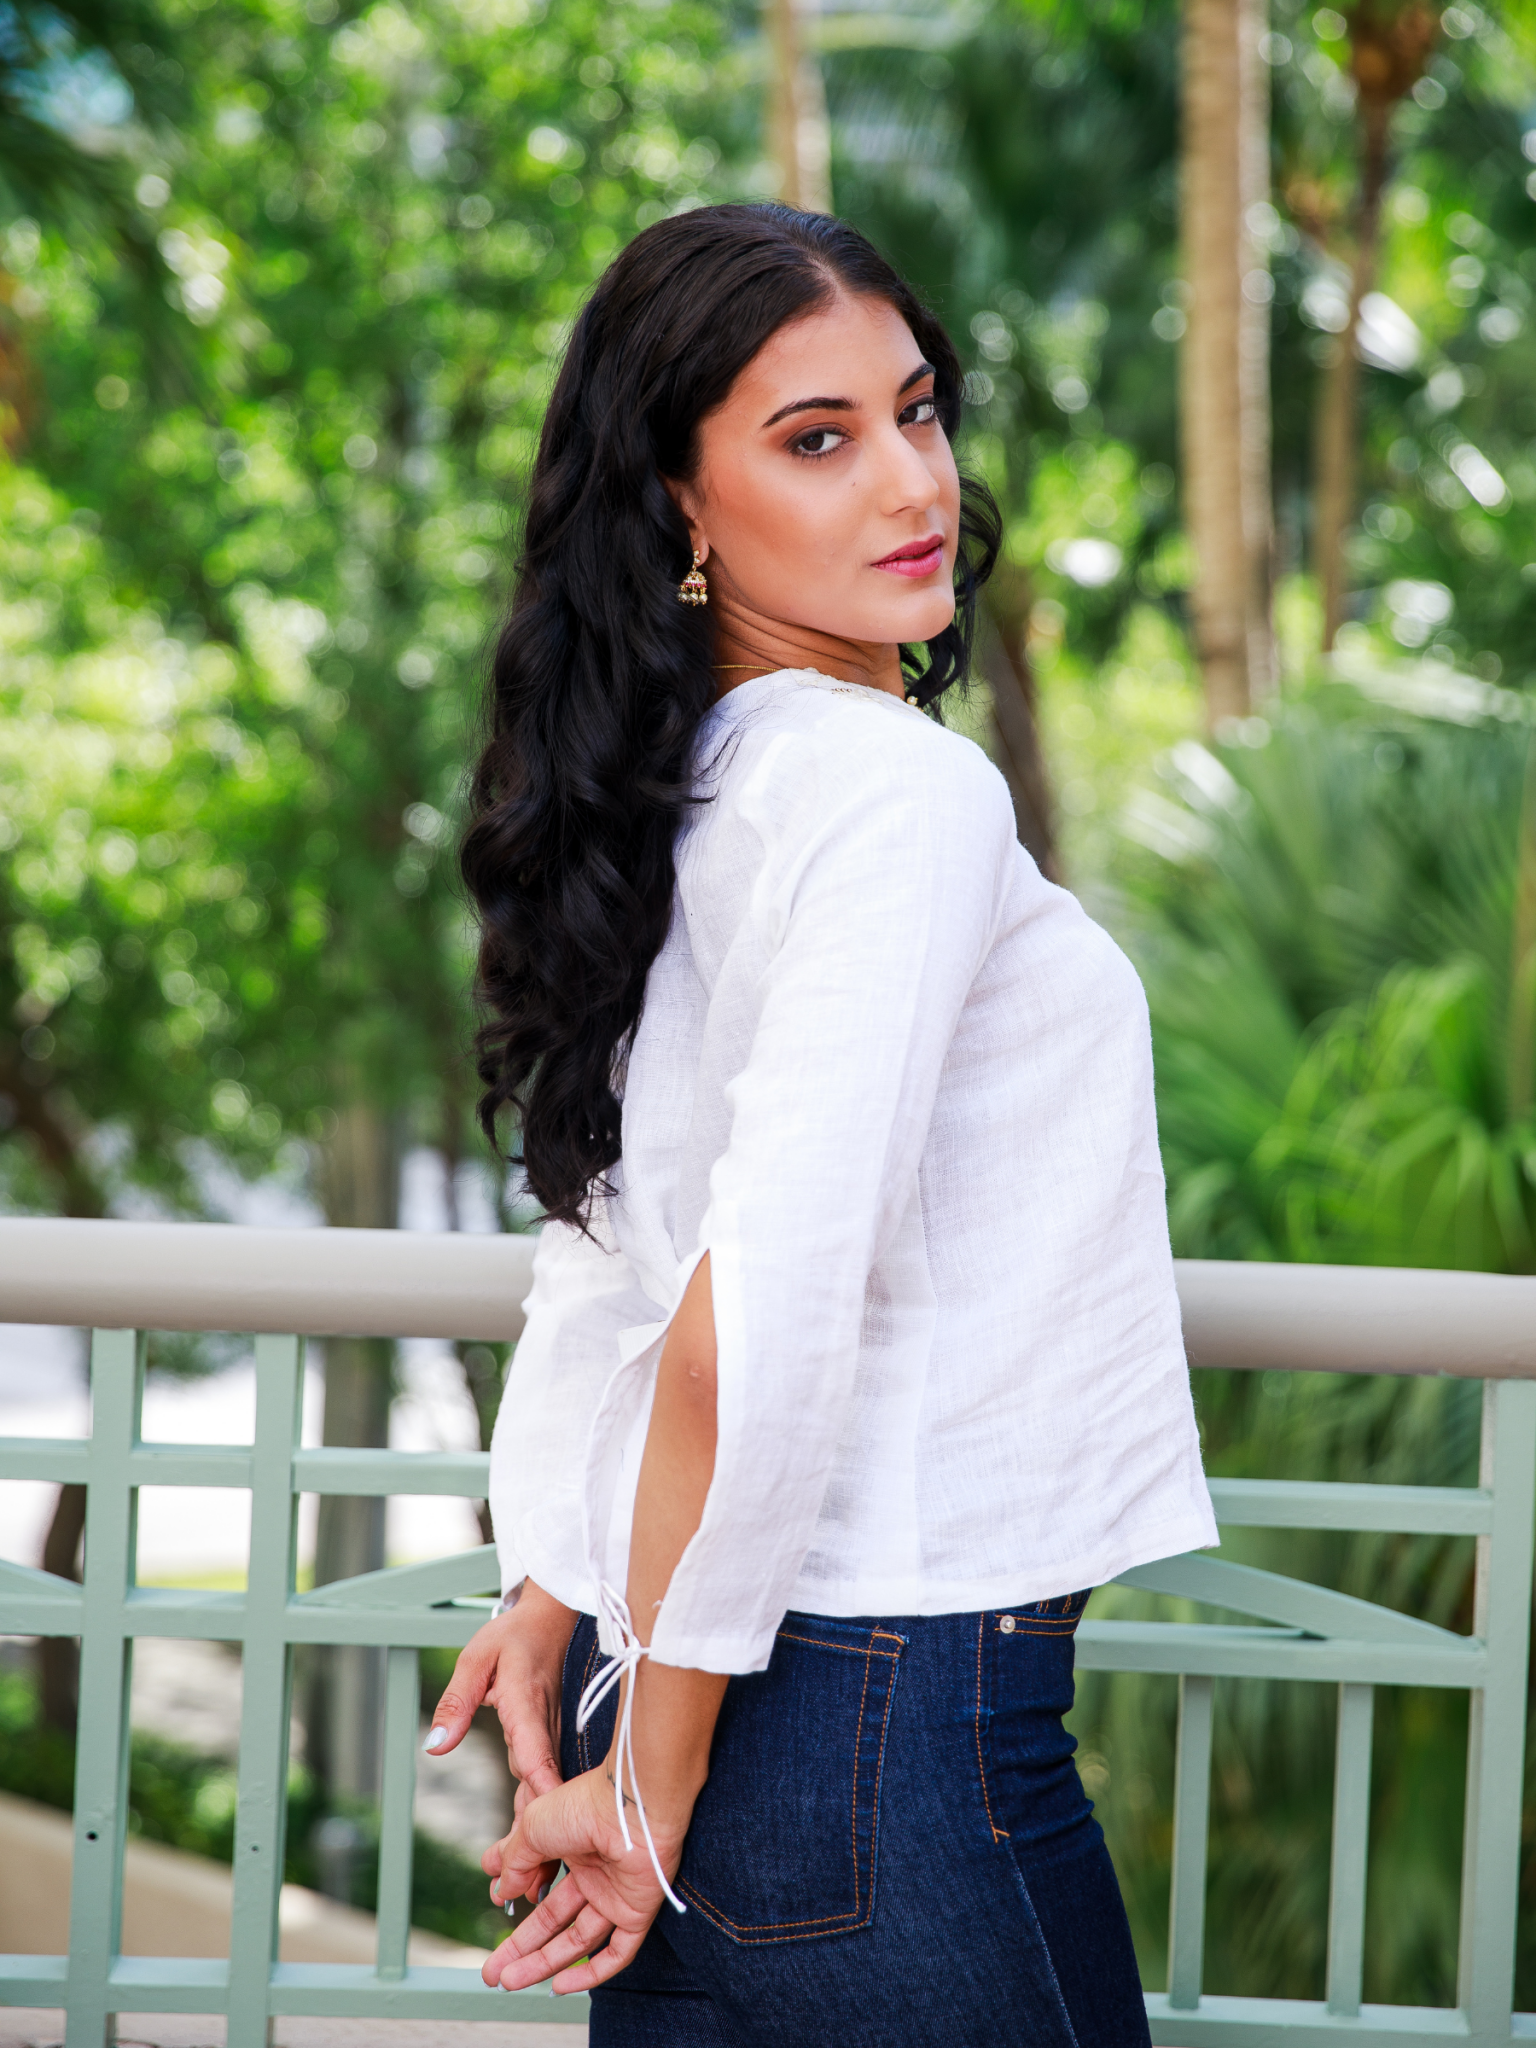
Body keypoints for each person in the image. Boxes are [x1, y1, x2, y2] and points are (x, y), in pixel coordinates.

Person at [429, 203, 1217, 2047]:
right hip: (876, 1716)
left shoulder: (682, 794)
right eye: (815, 438)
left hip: (667, 1676)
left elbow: (606, 1256)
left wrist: (560, 1583)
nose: (910, 481)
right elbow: (743, 1315)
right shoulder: (895, 796)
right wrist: (653, 1784)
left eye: (916, 411)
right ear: (679, 505)